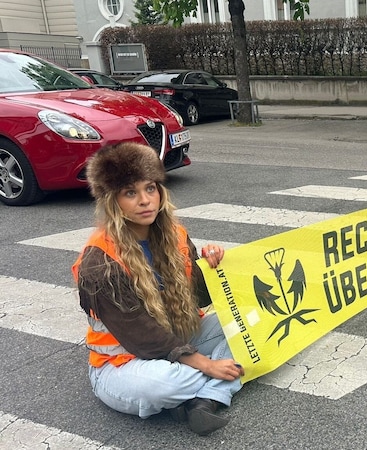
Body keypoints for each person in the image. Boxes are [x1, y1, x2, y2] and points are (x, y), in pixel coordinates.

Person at [71, 142, 244, 436]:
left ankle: (205, 400)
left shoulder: (175, 233)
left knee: (245, 328)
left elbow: (200, 298)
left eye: (150, 188)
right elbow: (140, 336)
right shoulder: (99, 261)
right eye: (130, 193)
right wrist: (206, 364)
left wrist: (212, 265)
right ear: (112, 201)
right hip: (123, 362)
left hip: (178, 338)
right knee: (166, 384)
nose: (144, 200)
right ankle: (215, 387)